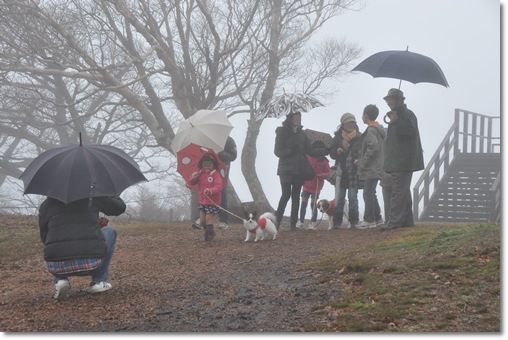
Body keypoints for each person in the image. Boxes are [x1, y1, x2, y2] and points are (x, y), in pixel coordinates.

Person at [38, 195, 127, 300]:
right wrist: (109, 191)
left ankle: (60, 280)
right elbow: (119, 208)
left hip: (58, 266)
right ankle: (98, 281)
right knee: (109, 231)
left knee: (53, 242)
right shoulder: (91, 197)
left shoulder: (46, 205)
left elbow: (45, 238)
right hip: (91, 262)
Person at [380, 88, 424, 230]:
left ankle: (394, 222)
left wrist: (396, 122)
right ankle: (406, 221)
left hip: (402, 161)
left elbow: (410, 133)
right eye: (387, 100)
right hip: (398, 161)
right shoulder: (397, 115)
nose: (388, 102)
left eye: (390, 99)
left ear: (399, 100)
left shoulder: (407, 115)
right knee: (403, 190)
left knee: (398, 191)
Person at [274, 110, 317, 231]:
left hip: (299, 168)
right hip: (286, 169)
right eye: (297, 117)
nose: (299, 120)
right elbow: (277, 152)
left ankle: (293, 224)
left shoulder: (302, 134)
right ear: (290, 118)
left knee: (296, 196)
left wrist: (323, 150)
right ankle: (276, 223)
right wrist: (290, 150)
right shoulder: (282, 132)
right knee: (286, 195)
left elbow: (310, 150)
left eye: (300, 117)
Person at [191, 136, 237, 230]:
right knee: (202, 193)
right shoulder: (204, 138)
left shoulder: (228, 140)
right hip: (205, 169)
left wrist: (219, 153)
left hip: (221, 171)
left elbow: (233, 156)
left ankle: (223, 220)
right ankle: (199, 218)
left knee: (221, 194)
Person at [354, 104, 386, 229]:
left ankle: (369, 220)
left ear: (365, 115)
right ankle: (378, 218)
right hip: (377, 166)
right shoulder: (378, 129)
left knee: (367, 192)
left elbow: (373, 147)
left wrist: (362, 162)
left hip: (372, 167)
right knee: (371, 192)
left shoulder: (371, 130)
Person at [329, 113, 363, 229]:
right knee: (339, 198)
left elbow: (363, 152)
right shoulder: (337, 138)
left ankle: (354, 222)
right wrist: (336, 152)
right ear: (343, 124)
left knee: (353, 198)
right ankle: (337, 223)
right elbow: (332, 154)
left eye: (353, 123)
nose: (351, 125)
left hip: (354, 172)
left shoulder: (360, 137)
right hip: (341, 171)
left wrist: (359, 160)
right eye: (348, 123)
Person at [187, 153, 223, 241]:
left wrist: (210, 191)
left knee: (208, 218)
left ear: (213, 164)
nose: (206, 167)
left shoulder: (216, 175)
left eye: (209, 164)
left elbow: (218, 187)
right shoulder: (200, 173)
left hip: (212, 202)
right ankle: (209, 232)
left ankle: (209, 237)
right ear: (202, 164)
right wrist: (193, 176)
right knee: (202, 221)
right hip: (202, 201)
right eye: (204, 164)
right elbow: (192, 182)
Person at [297, 140, 330, 230]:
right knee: (303, 203)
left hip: (316, 186)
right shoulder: (308, 157)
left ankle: (313, 223)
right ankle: (301, 221)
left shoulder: (325, 162)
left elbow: (328, 173)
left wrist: (322, 175)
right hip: (306, 183)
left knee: (313, 205)